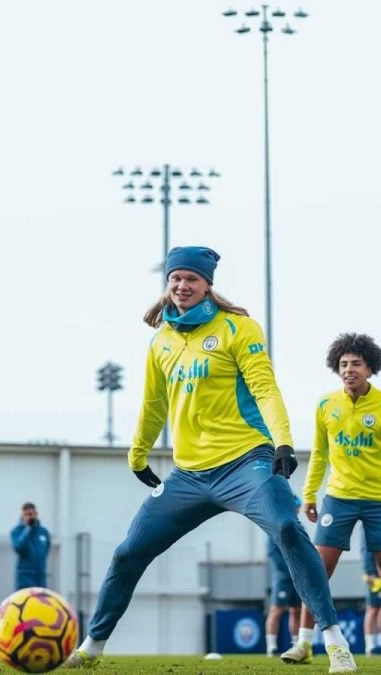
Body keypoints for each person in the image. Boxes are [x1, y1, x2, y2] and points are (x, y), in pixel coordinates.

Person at [64, 246, 356, 673]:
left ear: (207, 286)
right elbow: (152, 404)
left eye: (191, 279)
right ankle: (90, 647)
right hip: (189, 476)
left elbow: (265, 388)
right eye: (175, 278)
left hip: (247, 462)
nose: (182, 286)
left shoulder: (239, 328)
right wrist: (137, 455)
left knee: (289, 528)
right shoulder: (161, 341)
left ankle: (335, 645)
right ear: (168, 284)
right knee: (129, 553)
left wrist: (283, 443)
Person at [282, 333, 381, 667]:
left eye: (356, 363)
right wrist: (310, 494)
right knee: (316, 571)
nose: (349, 369)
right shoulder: (325, 405)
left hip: (380, 500)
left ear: (369, 368)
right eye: (343, 364)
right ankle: (303, 644)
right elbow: (319, 453)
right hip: (338, 498)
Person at [266, 495, 304, 657]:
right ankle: (271, 646)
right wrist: (288, 570)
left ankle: (296, 645)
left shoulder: (299, 527)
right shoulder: (276, 526)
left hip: (298, 576)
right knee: (277, 609)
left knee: (296, 610)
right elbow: (273, 553)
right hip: (283, 576)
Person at [11, 502, 51, 590]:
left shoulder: (43, 532)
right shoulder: (17, 531)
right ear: (22, 516)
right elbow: (19, 547)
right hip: (25, 580)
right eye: (26, 514)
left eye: (31, 514)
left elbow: (46, 550)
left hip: (40, 579)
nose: (29, 517)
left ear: (36, 514)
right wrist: (28, 529)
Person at [361, 532, 381, 657]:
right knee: (373, 607)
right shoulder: (368, 525)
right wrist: (369, 571)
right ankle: (370, 646)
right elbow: (365, 550)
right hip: (375, 573)